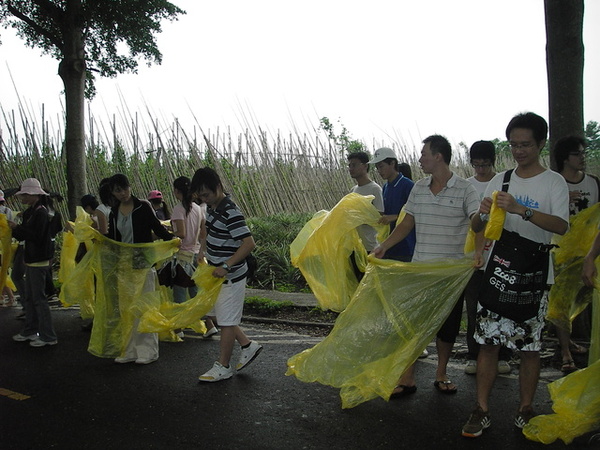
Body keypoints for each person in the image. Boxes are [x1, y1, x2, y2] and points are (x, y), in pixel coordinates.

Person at [462, 112, 569, 438]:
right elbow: (478, 226)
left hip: (535, 275)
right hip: (499, 272)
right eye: (514, 145)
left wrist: (522, 210)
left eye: (526, 145)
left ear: (540, 144)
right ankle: (481, 408)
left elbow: (562, 226)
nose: (519, 151)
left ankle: (525, 408)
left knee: (530, 347)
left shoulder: (553, 182)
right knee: (488, 343)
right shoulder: (501, 180)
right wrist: (481, 218)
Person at [373, 135, 480, 397]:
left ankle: (441, 373)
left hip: (450, 273)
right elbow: (407, 223)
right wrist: (384, 246)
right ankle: (407, 377)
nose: (420, 159)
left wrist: (480, 244)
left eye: (424, 154)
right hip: (420, 271)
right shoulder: (419, 188)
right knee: (413, 325)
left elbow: (477, 223)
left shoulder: (466, 189)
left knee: (447, 326)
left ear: (438, 156)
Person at [190, 167, 261, 382]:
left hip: (232, 275)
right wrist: (202, 249)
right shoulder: (212, 207)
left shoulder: (231, 211)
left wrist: (227, 265)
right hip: (216, 272)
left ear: (218, 187)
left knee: (227, 321)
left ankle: (223, 365)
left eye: (206, 194)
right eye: (200, 195)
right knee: (217, 315)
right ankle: (248, 345)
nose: (203, 199)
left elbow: (248, 243)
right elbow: (208, 229)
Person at [107, 174, 175, 364]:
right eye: (117, 190)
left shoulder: (143, 206)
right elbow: (114, 239)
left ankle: (148, 351)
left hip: (143, 264)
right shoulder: (114, 212)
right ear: (112, 192)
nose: (122, 193)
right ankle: (128, 350)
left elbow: (157, 228)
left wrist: (172, 240)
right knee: (127, 309)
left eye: (124, 188)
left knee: (145, 308)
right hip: (124, 265)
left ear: (130, 187)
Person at [463, 141, 512, 375]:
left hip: (501, 255)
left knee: (500, 306)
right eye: (476, 165)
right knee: (473, 307)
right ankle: (474, 354)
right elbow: (471, 223)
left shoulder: (505, 182)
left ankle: (503, 354)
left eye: (485, 164)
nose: (481, 169)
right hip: (474, 255)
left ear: (493, 161)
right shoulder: (468, 186)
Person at [553, 135, 599, 372]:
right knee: (560, 301)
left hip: (590, 251)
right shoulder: (555, 183)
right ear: (564, 158)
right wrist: (561, 201)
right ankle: (565, 351)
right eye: (577, 154)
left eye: (583, 153)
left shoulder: (593, 183)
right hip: (561, 252)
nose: (582, 158)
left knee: (588, 299)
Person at [8, 178, 58, 347]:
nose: (22, 198)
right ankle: (31, 329)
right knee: (30, 298)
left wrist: (17, 228)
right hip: (32, 259)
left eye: (24, 195)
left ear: (32, 195)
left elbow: (35, 236)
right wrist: (16, 229)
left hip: (39, 260)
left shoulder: (41, 213)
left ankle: (48, 335)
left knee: (39, 299)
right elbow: (25, 234)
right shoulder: (32, 212)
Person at [369, 147, 415, 262]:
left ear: (392, 163)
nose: (379, 171)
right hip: (389, 246)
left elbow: (416, 213)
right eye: (377, 168)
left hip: (406, 246)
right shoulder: (385, 187)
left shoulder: (407, 185)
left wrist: (394, 217)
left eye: (381, 166)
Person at [347, 151, 384, 253]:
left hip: (371, 246)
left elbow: (379, 216)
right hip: (355, 246)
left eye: (354, 165)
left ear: (365, 166)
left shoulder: (375, 189)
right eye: (349, 166)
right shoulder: (353, 190)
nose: (351, 169)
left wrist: (360, 217)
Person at [0, 189, 17, 307]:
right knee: (2, 272)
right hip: (5, 246)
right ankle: (3, 297)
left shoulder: (6, 211)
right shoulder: (8, 211)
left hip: (2, 246)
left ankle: (10, 297)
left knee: (2, 273)